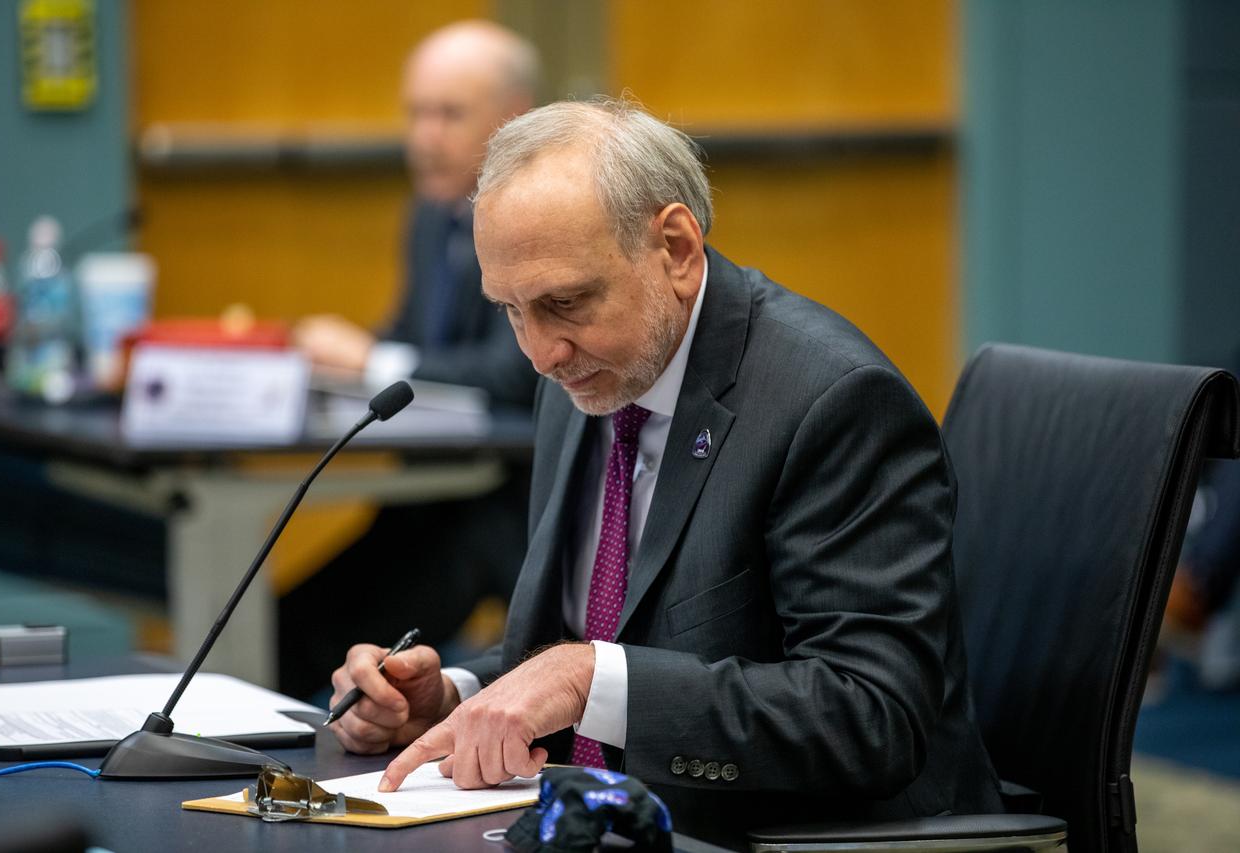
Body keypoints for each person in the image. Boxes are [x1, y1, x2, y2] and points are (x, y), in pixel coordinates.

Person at [327, 99, 1002, 845]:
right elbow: (597, 636)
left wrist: (585, 677)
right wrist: (457, 694)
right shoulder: (585, 377)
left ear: (676, 248)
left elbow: (871, 715)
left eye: (565, 302)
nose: (540, 353)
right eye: (512, 312)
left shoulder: (832, 403)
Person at [277, 22, 541, 700]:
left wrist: (370, 359)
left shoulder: (539, 219)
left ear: (513, 118)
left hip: (504, 503)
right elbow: (407, 337)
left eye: (449, 114)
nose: (425, 135)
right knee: (286, 623)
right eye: (416, 112)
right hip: (426, 494)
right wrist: (335, 365)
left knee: (314, 637)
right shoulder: (430, 217)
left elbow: (516, 373)